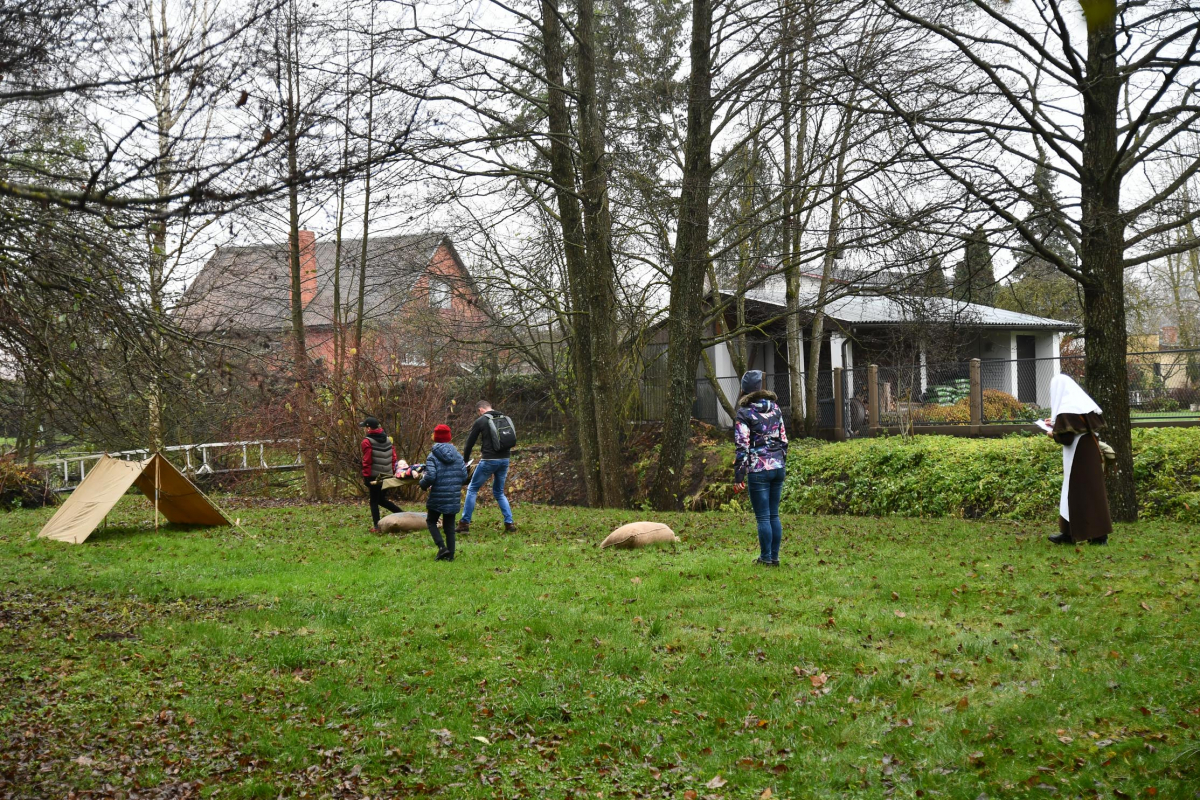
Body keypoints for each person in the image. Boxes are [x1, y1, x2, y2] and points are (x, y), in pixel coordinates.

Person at [1046, 374, 1113, 545]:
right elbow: (1078, 426)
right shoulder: (1081, 403)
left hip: (1078, 455)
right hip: (1088, 451)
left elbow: (1066, 438)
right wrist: (1055, 424)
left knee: (1078, 492)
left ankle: (1094, 536)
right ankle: (1071, 533)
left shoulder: (1066, 409)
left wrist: (1051, 433)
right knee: (1089, 491)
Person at [732, 370, 788, 566]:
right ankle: (774, 557)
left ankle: (765, 559)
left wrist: (739, 475)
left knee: (763, 516)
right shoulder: (776, 409)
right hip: (778, 466)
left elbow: (742, 445)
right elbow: (783, 440)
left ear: (744, 390)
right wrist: (780, 461)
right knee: (774, 514)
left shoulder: (745, 413)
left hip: (759, 469)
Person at [457, 400, 517, 533]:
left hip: (489, 460)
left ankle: (464, 524)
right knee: (499, 492)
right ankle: (509, 523)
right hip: (505, 459)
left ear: (480, 410)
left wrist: (465, 461)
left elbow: (469, 444)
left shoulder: (481, 421)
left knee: (472, 488)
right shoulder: (504, 418)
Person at [419, 424, 470, 561]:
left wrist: (422, 484)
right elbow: (464, 476)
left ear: (435, 438)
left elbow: (430, 476)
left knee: (431, 521)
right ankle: (451, 556)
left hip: (437, 496)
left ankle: (442, 548)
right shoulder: (458, 456)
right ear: (449, 437)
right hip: (453, 496)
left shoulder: (432, 456)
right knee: (449, 526)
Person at [361, 416, 402, 532]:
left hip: (374, 476)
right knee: (381, 500)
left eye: (365, 427)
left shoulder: (366, 441)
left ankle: (377, 526)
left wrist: (366, 476)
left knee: (374, 501)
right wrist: (393, 473)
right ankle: (402, 514)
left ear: (369, 428)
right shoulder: (388, 439)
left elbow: (367, 460)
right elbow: (393, 458)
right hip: (387, 475)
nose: (364, 429)